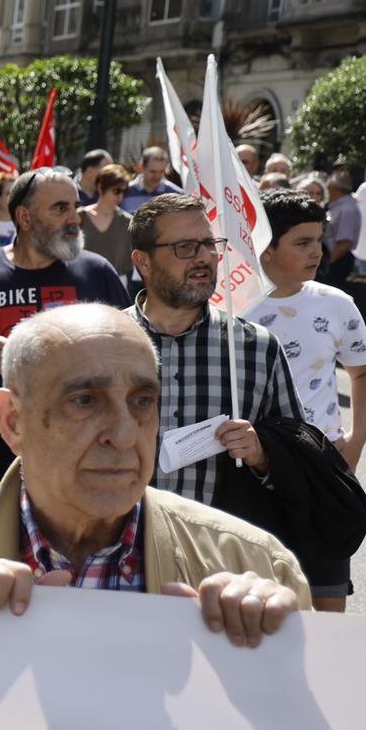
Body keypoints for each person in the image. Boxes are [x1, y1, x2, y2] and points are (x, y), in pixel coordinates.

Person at [0, 304, 308, 646]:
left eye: (142, 402)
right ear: (12, 421)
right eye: (84, 401)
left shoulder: (254, 566)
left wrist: (266, 658)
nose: (123, 434)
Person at [0, 165, 131, 505]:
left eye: (75, 206)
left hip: (82, 457)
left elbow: (133, 352)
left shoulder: (97, 273)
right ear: (24, 218)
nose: (75, 218)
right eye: (60, 208)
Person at [241, 190, 366, 611]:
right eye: (302, 242)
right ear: (266, 248)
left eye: (319, 240)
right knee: (253, 608)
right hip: (252, 473)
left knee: (327, 605)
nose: (317, 252)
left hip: (322, 470)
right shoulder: (231, 307)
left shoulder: (336, 304)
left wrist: (355, 441)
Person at [128, 193, 304, 509]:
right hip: (121, 546)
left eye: (210, 244)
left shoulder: (256, 348)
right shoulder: (102, 343)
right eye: (185, 247)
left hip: (217, 550)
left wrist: (262, 454)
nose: (204, 257)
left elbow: (301, 459)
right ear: (143, 261)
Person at [79, 163, 136, 283]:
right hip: (83, 280)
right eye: (116, 191)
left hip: (116, 282)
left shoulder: (127, 221)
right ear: (100, 187)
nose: (120, 196)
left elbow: (128, 263)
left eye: (124, 192)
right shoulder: (79, 217)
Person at [321, 160, 362, 288]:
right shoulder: (339, 207)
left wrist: (325, 265)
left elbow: (344, 243)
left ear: (334, 189)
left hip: (337, 262)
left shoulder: (346, 210)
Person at [120, 146, 183, 214]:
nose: (157, 176)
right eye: (152, 172)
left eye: (161, 171)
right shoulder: (123, 192)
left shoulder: (176, 195)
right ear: (141, 167)